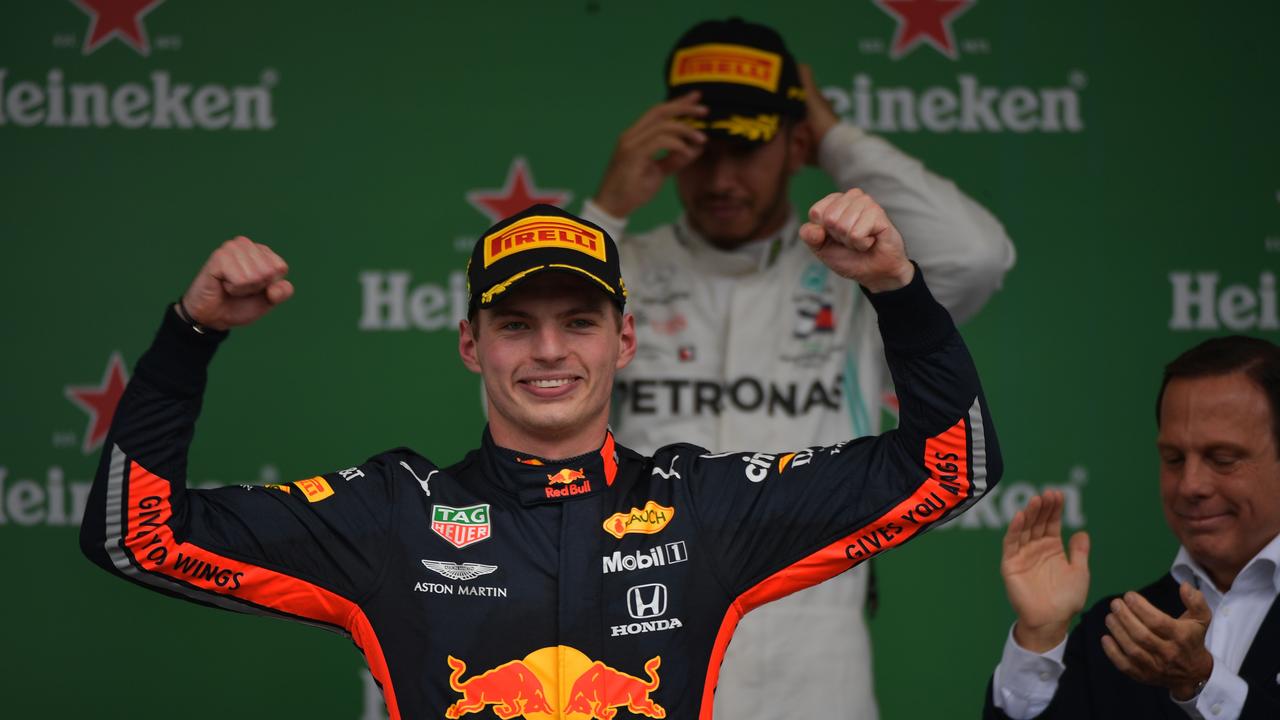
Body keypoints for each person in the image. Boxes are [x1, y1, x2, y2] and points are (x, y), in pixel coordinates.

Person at [79, 192, 999, 719]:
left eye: (578, 322)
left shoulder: (701, 506)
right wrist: (189, 334)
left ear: (624, 340)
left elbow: (951, 467)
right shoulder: (394, 514)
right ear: (471, 345)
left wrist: (896, 287)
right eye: (516, 325)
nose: (550, 351)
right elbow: (138, 535)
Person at [580, 17, 1016, 719]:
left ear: (793, 145)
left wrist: (835, 135)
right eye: (699, 151)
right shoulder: (618, 268)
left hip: (815, 662)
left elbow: (978, 256)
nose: (721, 178)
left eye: (747, 148)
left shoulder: (853, 271)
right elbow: (525, 407)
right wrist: (604, 210)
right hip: (643, 647)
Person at [985, 336, 1280, 719]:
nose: (1190, 485)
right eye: (1173, 459)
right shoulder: (1117, 631)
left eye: (1222, 459)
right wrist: (1040, 637)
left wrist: (1202, 683)